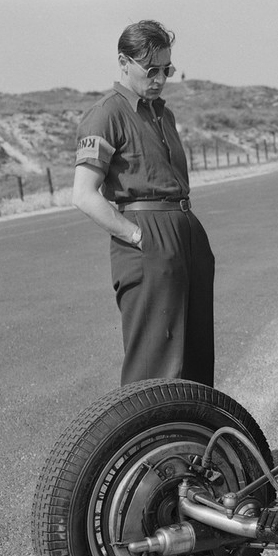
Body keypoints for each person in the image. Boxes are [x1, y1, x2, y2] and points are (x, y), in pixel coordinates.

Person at [72, 20, 215, 387]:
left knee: (196, 357)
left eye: (166, 69)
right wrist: (136, 236)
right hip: (148, 235)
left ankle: (193, 441)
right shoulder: (106, 113)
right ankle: (145, 444)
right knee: (155, 362)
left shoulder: (164, 114)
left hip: (185, 229)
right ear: (123, 62)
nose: (160, 78)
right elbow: (83, 194)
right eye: (151, 70)